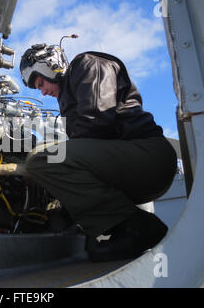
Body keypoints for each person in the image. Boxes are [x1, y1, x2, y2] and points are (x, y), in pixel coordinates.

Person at [19, 43, 177, 262]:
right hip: (132, 164)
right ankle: (119, 226)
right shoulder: (70, 91)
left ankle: (136, 227)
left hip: (147, 157)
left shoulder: (87, 64)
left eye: (41, 83)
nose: (43, 91)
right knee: (52, 159)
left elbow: (97, 120)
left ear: (49, 66)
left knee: (42, 160)